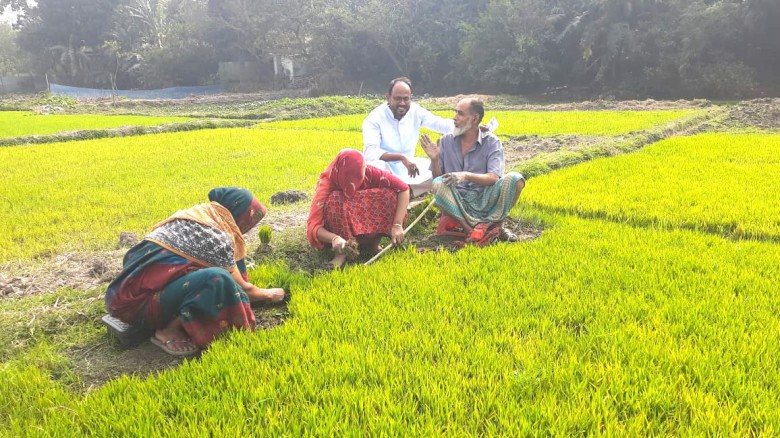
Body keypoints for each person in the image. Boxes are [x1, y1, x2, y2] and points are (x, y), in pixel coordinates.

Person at [105, 187, 285, 356]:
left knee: (207, 275)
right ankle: (168, 330)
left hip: (121, 296)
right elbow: (242, 288)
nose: (247, 228)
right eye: (249, 221)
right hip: (137, 307)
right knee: (217, 279)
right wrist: (269, 294)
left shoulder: (192, 218)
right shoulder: (216, 236)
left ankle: (167, 313)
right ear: (238, 216)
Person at [421, 98, 525, 241]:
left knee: (515, 178)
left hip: (484, 197)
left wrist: (466, 175)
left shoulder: (492, 142)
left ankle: (498, 227)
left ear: (475, 118)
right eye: (455, 112)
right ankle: (470, 230)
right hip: (458, 201)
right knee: (438, 183)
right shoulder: (446, 141)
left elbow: (493, 177)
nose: (454, 118)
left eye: (460, 114)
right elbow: (439, 178)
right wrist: (434, 159)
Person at [307, 149, 410, 268]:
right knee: (336, 199)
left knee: (389, 195)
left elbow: (403, 189)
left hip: (365, 228)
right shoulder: (327, 183)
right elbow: (313, 227)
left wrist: (397, 224)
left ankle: (373, 244)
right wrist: (334, 238)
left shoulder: (370, 172)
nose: (352, 187)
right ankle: (341, 253)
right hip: (340, 234)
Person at [362, 77, 453, 196]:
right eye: (397, 99)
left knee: (442, 173)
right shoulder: (374, 118)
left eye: (406, 99)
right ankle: (405, 190)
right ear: (388, 98)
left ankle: (404, 191)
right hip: (386, 168)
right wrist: (401, 157)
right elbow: (370, 152)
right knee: (375, 167)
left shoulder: (416, 111)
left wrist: (469, 126)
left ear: (411, 98)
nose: (402, 103)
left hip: (411, 168)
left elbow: (440, 124)